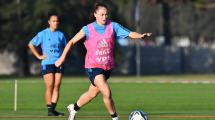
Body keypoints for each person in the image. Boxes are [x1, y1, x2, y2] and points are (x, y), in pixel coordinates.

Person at [55, 2, 151, 120]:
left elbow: (130, 33)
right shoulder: (87, 29)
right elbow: (71, 42)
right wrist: (62, 58)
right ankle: (115, 117)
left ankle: (73, 108)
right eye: (101, 14)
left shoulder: (113, 26)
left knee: (92, 94)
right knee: (107, 92)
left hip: (107, 67)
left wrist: (140, 35)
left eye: (106, 14)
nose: (104, 17)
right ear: (95, 14)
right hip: (93, 66)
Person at [28, 13, 66, 116]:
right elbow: (31, 44)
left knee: (57, 85)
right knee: (50, 85)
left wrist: (62, 58)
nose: (56, 23)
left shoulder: (61, 35)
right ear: (49, 22)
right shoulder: (43, 34)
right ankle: (49, 109)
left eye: (57, 21)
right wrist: (38, 56)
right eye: (53, 21)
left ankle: (52, 110)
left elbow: (66, 48)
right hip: (47, 62)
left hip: (59, 63)